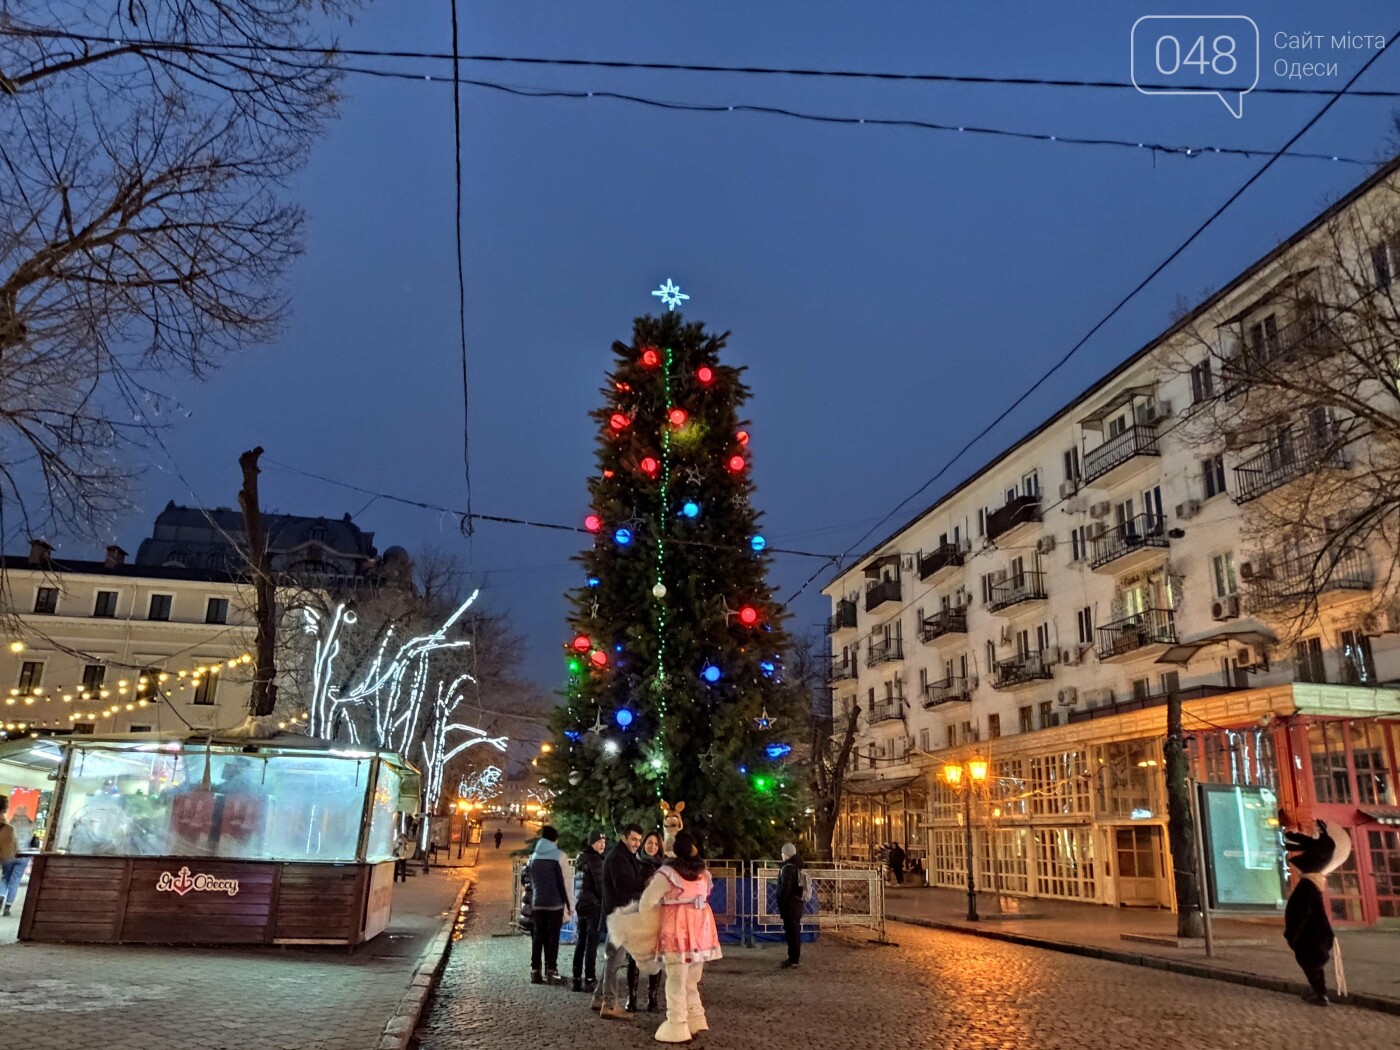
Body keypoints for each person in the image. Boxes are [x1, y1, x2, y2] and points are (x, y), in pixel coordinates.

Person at [626, 830, 722, 1043]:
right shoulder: (703, 874)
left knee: (676, 980)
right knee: (691, 980)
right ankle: (696, 1017)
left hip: (676, 931)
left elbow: (647, 901)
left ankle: (677, 1023)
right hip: (700, 931)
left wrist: (648, 921)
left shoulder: (667, 873)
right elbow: (706, 893)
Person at [1283, 814, 1352, 1006]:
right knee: (1311, 965)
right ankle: (1318, 992)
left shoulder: (1309, 886)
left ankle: (1320, 994)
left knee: (1311, 965)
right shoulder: (1312, 884)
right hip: (1315, 936)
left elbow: (1301, 910)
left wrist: (1292, 932)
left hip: (1312, 937)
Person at [593, 824, 646, 1019]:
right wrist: (644, 883)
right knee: (614, 960)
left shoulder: (624, 856)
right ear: (624, 837)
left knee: (613, 958)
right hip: (619, 916)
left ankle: (599, 998)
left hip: (619, 914)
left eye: (639, 840)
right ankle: (609, 1004)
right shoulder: (617, 858)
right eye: (633, 839)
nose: (637, 844)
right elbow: (623, 884)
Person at [526, 826, 574, 985]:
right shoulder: (560, 856)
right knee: (553, 938)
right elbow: (566, 884)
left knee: (538, 936)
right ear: (555, 839)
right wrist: (570, 906)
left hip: (538, 903)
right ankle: (551, 970)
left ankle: (535, 971)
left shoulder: (533, 857)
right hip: (555, 904)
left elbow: (530, 881)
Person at [630, 831, 666, 1011]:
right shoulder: (635, 862)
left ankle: (653, 998)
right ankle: (632, 997)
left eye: (656, 844)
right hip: (638, 912)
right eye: (649, 843)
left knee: (656, 956)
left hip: (657, 915)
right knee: (633, 956)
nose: (652, 847)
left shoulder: (664, 866)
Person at [571, 829, 607, 993]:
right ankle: (590, 979)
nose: (602, 845)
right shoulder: (595, 860)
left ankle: (576, 979)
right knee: (591, 944)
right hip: (593, 906)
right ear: (592, 843)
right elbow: (600, 886)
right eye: (599, 842)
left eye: (604, 842)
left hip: (582, 904)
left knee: (581, 942)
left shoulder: (582, 858)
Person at [776, 842, 808, 969]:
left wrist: (781, 901)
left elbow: (785, 887)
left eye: (783, 853)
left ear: (786, 854)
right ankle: (793, 957)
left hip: (790, 905)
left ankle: (793, 959)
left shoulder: (788, 868)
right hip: (796, 904)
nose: (782, 855)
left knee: (792, 932)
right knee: (794, 932)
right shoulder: (796, 866)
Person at [0, 795, 27, 918]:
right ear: (5, 809)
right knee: (13, 881)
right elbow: (7, 853)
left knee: (6, 879)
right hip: (18, 858)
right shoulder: (7, 829)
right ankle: (7, 907)